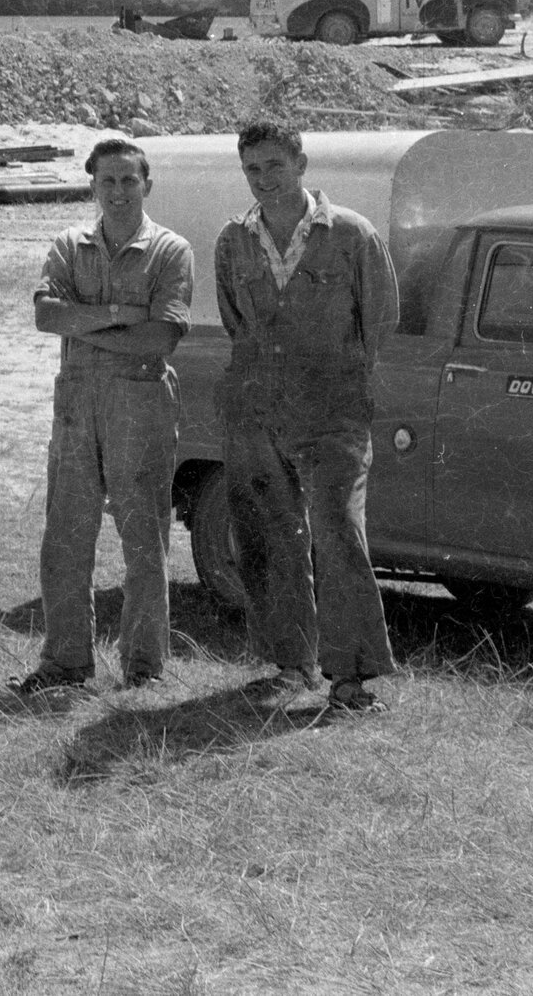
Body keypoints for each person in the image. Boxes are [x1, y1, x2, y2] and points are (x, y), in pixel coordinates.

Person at [213, 118, 400, 716]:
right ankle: (290, 661)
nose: (264, 180)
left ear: (301, 164)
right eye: (252, 169)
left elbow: (379, 324)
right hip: (260, 413)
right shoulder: (232, 241)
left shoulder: (351, 234)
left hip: (334, 418)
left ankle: (351, 675)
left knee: (338, 534)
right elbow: (236, 324)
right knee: (271, 536)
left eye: (274, 165)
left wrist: (337, 386)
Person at [12, 138, 193, 695]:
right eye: (106, 181)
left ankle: (144, 668)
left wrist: (83, 323)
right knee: (66, 532)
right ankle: (65, 662)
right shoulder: (69, 243)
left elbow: (161, 334)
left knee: (143, 536)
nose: (117, 192)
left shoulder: (169, 250)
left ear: (147, 185)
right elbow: (46, 316)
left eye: (128, 181)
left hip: (140, 403)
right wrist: (119, 316)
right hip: (76, 404)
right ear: (92, 185)